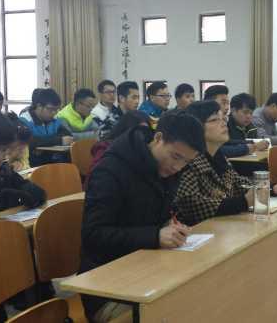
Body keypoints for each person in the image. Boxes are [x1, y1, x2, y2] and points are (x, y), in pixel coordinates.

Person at [80, 111, 205, 322]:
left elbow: (155, 214)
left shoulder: (168, 168)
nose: (178, 167)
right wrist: (155, 236)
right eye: (175, 157)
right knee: (181, 312)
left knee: (204, 292)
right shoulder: (110, 170)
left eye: (186, 162)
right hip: (107, 286)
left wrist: (171, 224)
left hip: (151, 268)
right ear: (158, 138)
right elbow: (93, 234)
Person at [176, 101, 277, 226]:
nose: (223, 123)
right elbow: (192, 205)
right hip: (195, 231)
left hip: (221, 226)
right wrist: (244, 202)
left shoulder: (219, 156)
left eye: (223, 118)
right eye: (214, 120)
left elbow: (239, 183)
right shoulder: (188, 161)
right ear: (196, 127)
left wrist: (272, 189)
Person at [19, 88, 73, 166]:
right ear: (39, 106)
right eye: (50, 109)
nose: (54, 113)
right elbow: (30, 141)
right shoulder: (25, 120)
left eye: (56, 109)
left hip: (52, 160)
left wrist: (42, 142)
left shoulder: (54, 119)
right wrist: (59, 140)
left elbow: (67, 135)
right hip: (33, 163)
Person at [221, 93, 269, 158]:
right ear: (233, 110)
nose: (249, 116)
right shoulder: (224, 126)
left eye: (251, 113)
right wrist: (253, 146)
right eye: (245, 112)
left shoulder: (252, 128)